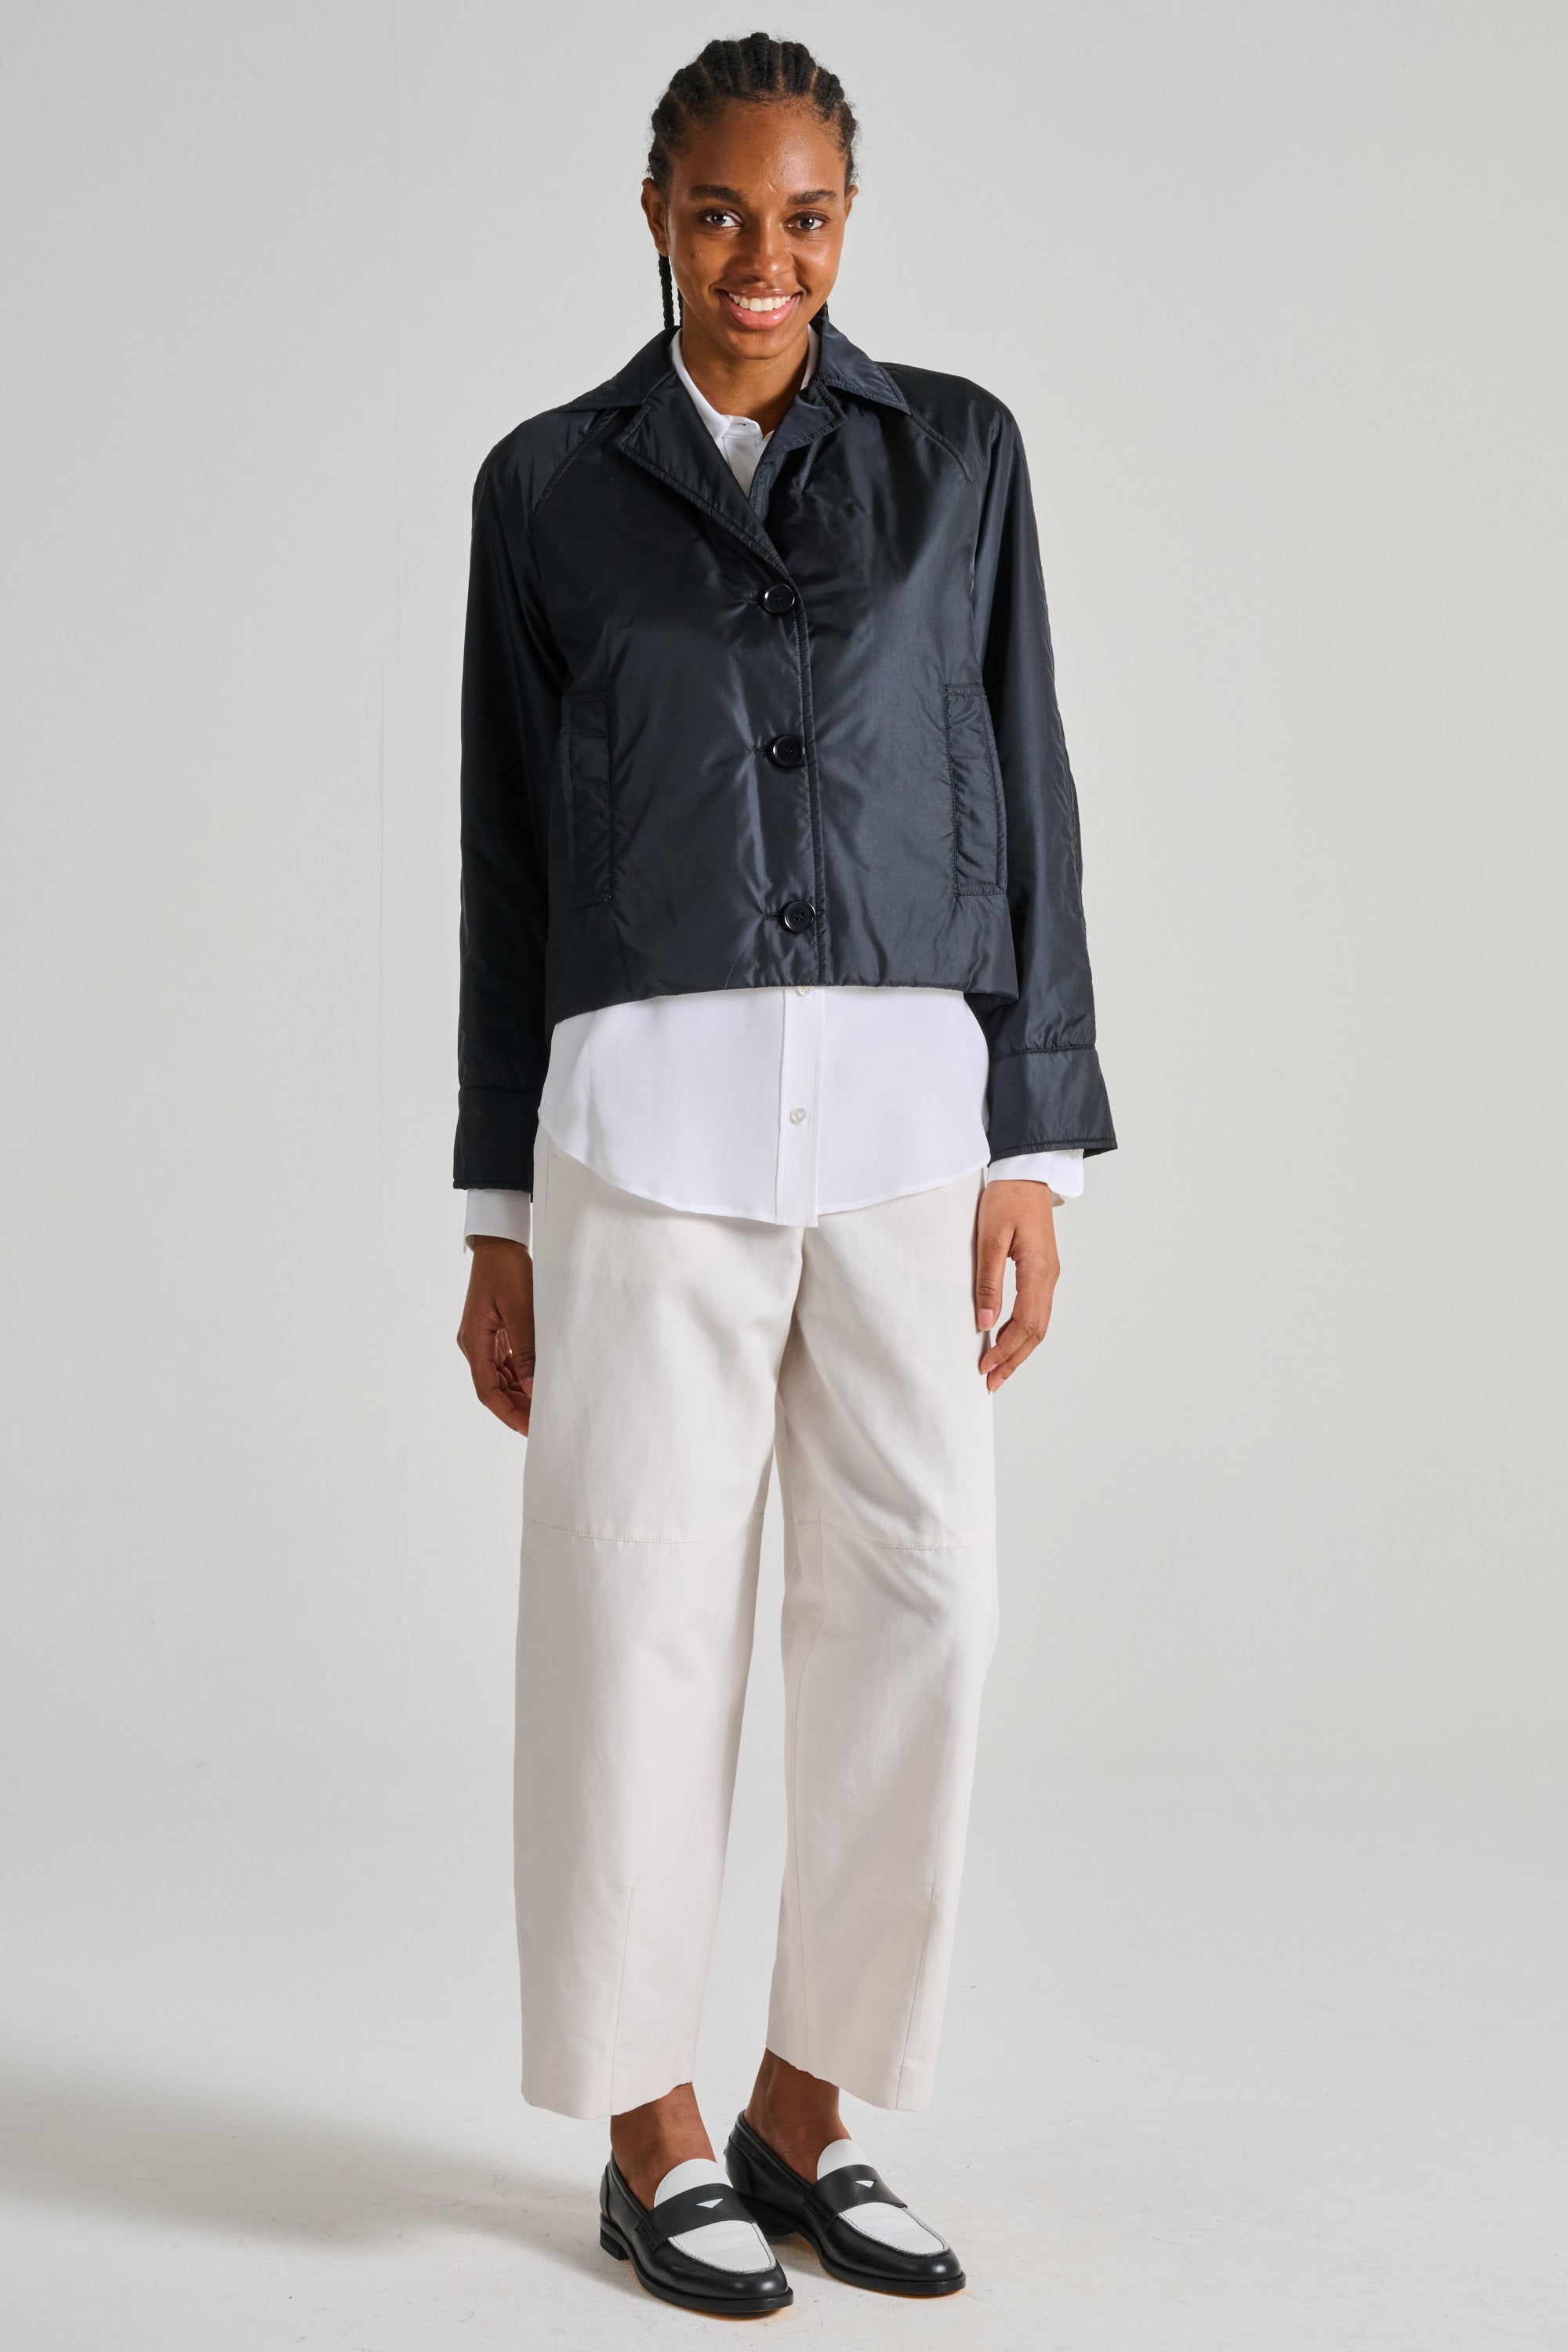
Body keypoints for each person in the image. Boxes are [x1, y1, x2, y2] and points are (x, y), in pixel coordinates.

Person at [453, 31, 1114, 2319]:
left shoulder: (959, 458)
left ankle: (801, 2111)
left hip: (911, 1131)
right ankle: (646, 2130)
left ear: (850, 223)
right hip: (646, 1138)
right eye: (724, 212)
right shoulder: (548, 489)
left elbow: (1023, 783)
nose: (766, 258)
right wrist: (497, 1214)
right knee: (634, 1622)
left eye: (807, 215)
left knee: (925, 1606)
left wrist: (1033, 1137)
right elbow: (507, 865)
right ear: (657, 216)